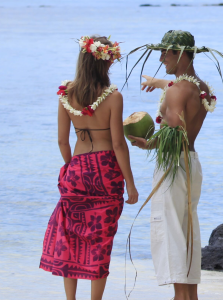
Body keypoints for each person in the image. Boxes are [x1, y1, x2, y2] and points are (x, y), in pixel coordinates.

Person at [125, 30, 223, 300]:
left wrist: (149, 143)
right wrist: (161, 84)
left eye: (165, 53)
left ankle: (179, 297)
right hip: (191, 162)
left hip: (173, 165)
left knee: (170, 231)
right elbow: (182, 90)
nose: (160, 57)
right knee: (187, 230)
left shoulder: (178, 90)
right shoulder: (200, 87)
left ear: (179, 54)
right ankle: (190, 296)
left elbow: (175, 132)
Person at [41, 35, 140, 300]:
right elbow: (118, 144)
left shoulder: (66, 94)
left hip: (77, 169)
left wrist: (71, 167)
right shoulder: (113, 97)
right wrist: (130, 182)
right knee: (100, 241)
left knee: (70, 237)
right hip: (106, 171)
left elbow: (63, 141)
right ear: (104, 64)